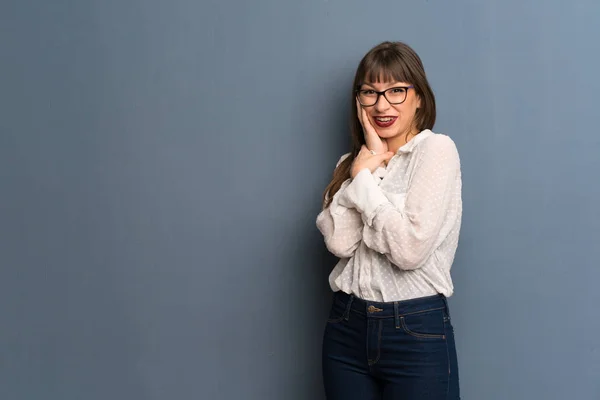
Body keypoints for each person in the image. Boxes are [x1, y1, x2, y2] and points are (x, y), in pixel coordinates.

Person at [316, 41, 462, 399]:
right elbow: (339, 242)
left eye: (396, 91)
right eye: (370, 92)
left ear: (420, 98)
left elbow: (409, 250)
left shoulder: (436, 151)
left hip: (415, 329)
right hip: (346, 326)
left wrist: (364, 180)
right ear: (358, 100)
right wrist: (369, 165)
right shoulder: (349, 163)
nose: (382, 105)